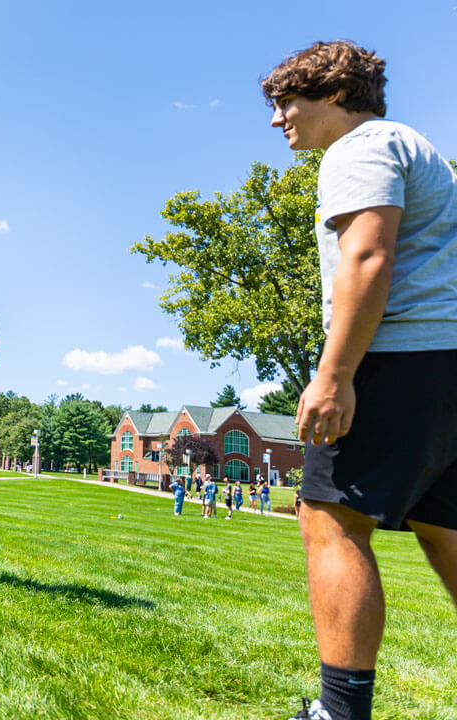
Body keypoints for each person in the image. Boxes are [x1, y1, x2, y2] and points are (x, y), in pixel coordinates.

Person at [264, 41, 457, 720]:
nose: (278, 118)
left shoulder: (360, 148)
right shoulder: (415, 146)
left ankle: (339, 712)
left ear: (336, 95)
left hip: (398, 355)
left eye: (288, 101)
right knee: (444, 528)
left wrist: (335, 372)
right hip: (446, 361)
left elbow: (368, 256)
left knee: (331, 518)